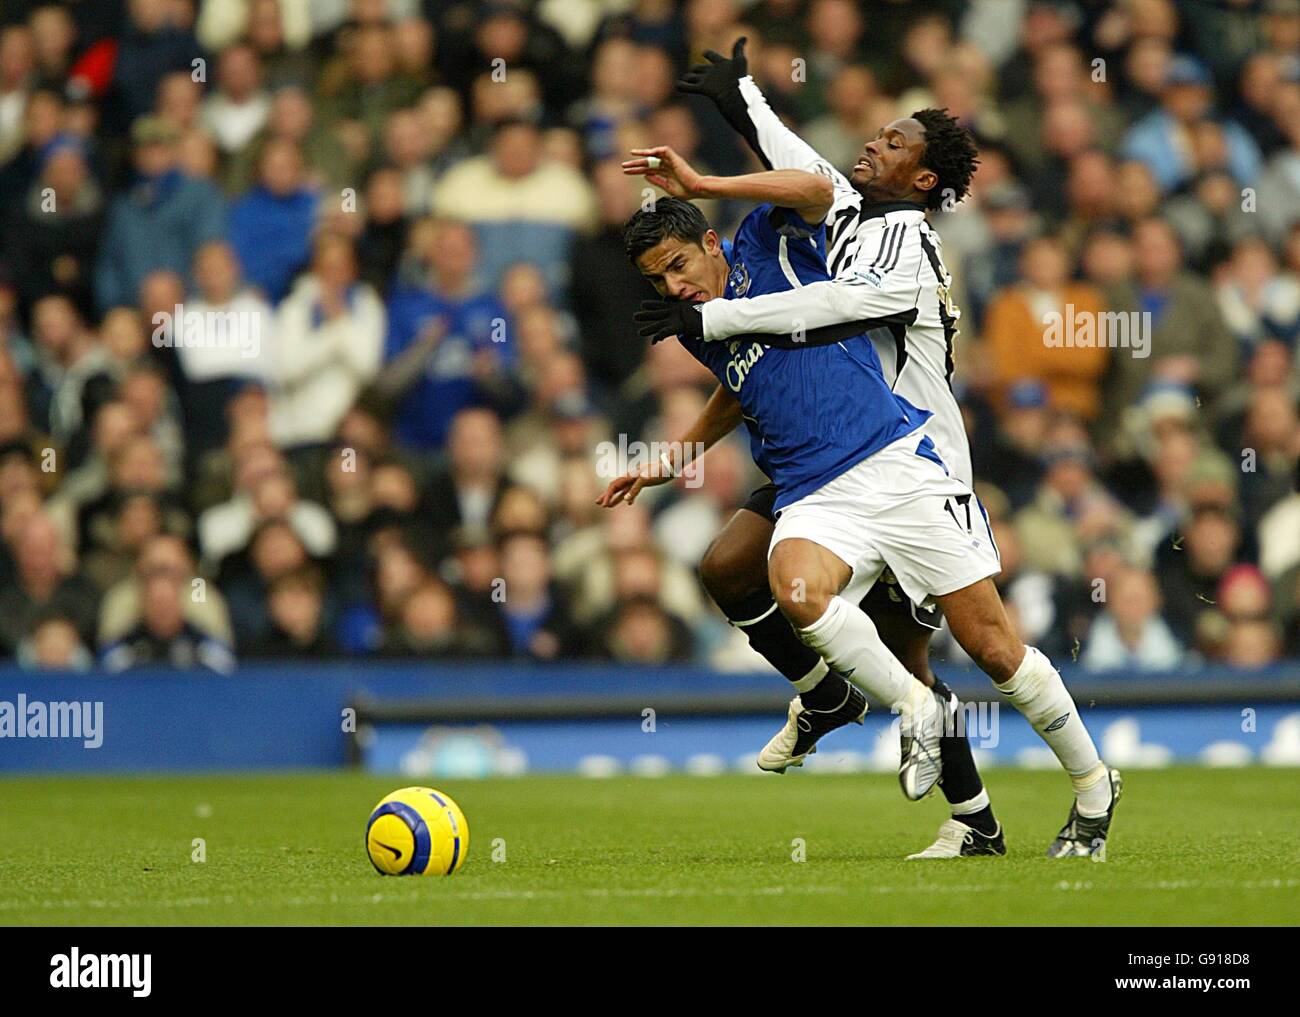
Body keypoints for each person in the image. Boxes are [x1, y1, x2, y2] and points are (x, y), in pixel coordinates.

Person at [629, 40, 1120, 859]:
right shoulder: (850, 221)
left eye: (893, 142)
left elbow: (827, 302)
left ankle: (1089, 788)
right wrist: (739, 98)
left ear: (923, 179)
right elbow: (808, 169)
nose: (872, 144)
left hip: (916, 456)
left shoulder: (908, 249)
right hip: (826, 462)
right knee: (773, 583)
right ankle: (908, 755)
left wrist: (709, 250)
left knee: (989, 650)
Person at [603, 185, 1003, 859]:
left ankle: (976, 821)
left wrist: (707, 179)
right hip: (803, 479)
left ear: (710, 242)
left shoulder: (768, 246)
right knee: (726, 566)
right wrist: (674, 457)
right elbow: (741, 381)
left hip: (878, 459)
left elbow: (816, 187)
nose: (674, 286)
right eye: (657, 279)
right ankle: (825, 697)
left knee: (907, 661)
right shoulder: (696, 316)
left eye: (679, 264)